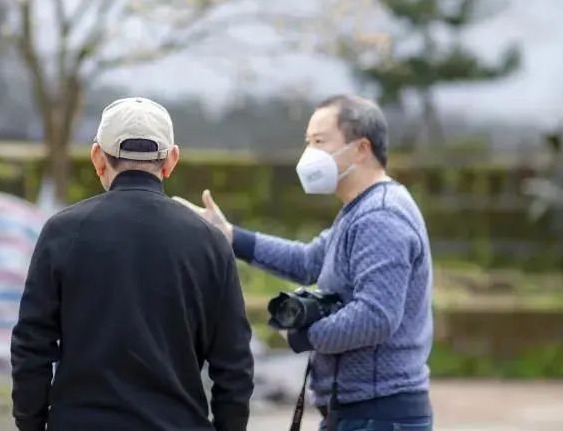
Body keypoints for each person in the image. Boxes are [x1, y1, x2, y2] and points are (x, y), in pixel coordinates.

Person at [176, 95, 434, 431]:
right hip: (358, 411)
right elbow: (308, 260)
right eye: (307, 142)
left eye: (319, 142)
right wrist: (230, 236)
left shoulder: (381, 216)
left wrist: (303, 334)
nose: (309, 154)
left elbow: (376, 316)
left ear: (360, 149)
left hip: (377, 414)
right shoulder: (361, 210)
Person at [11, 97, 254, 431]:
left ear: (98, 157)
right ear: (171, 160)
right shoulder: (210, 242)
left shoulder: (63, 231)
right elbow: (234, 365)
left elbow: (32, 345)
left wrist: (31, 422)